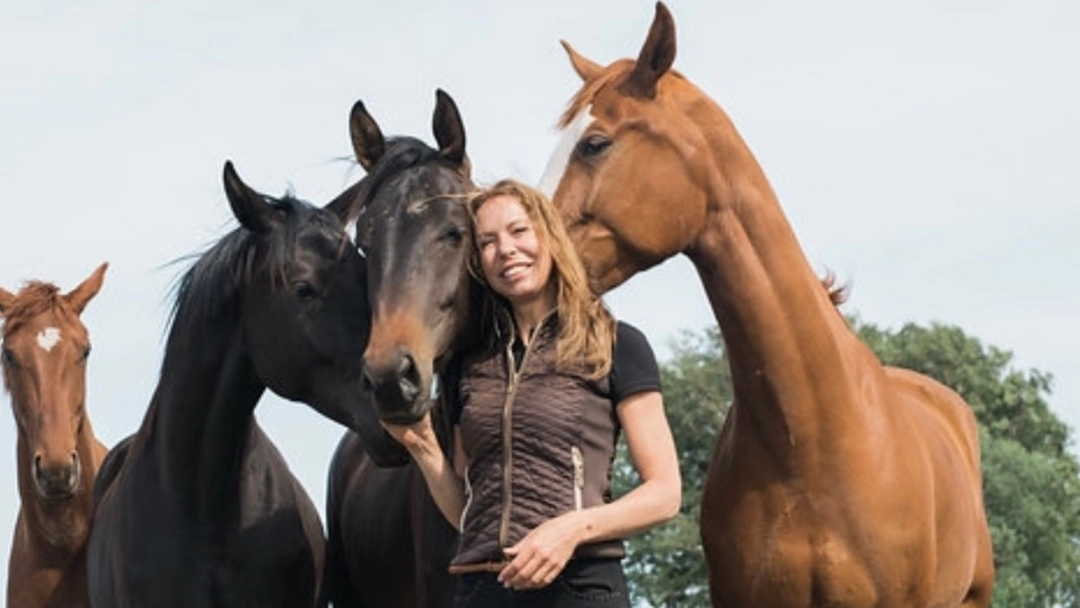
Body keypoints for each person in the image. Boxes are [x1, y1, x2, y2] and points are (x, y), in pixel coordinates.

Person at [382, 179, 681, 607]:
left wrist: (571, 529)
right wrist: (424, 447)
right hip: (481, 588)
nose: (505, 249)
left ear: (549, 237)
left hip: (580, 585)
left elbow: (665, 493)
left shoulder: (616, 344)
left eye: (519, 231)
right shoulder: (466, 364)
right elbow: (470, 512)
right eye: (487, 242)